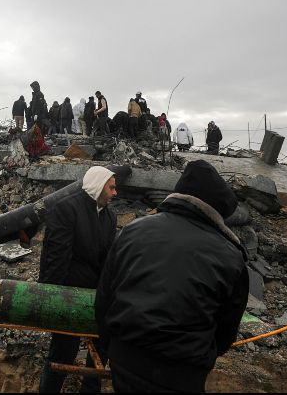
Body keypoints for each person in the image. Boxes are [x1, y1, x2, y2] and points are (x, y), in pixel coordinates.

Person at [96, 160, 249, 393]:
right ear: (218, 211)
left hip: (126, 358)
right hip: (182, 371)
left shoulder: (132, 231)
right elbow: (226, 329)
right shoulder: (230, 255)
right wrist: (201, 358)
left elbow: (105, 298)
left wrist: (112, 347)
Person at [39, 166, 118, 393]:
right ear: (97, 185)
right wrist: (52, 298)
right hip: (68, 297)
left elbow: (107, 262)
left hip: (95, 298)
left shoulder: (109, 217)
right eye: (111, 187)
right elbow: (56, 259)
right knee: (63, 352)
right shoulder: (67, 209)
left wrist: (106, 297)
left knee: (101, 352)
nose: (115, 193)